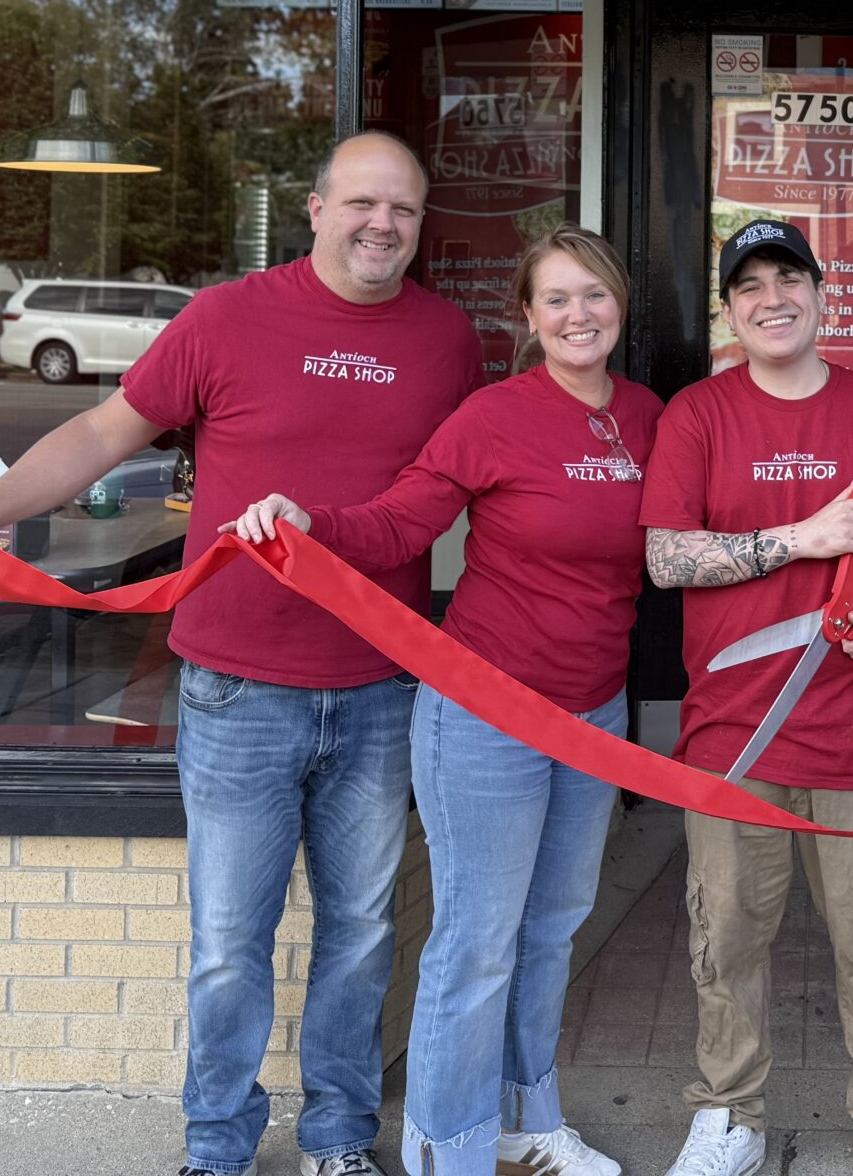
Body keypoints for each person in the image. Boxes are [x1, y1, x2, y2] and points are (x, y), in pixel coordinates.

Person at [0, 132, 481, 1176]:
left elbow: (460, 488)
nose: (383, 224)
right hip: (237, 688)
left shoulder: (445, 338)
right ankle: (217, 1147)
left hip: (379, 685)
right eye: (363, 203)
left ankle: (340, 1140)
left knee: (360, 934)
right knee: (226, 950)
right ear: (314, 206)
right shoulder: (226, 317)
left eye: (405, 210)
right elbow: (100, 437)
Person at [225, 224, 654, 1176]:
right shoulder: (494, 414)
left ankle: (527, 1125)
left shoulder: (646, 415)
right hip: (485, 716)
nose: (578, 315)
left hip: (593, 716)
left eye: (594, 295)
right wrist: (307, 520)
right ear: (528, 318)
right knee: (477, 942)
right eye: (557, 299)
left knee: (551, 932)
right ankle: (446, 1150)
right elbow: (397, 523)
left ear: (618, 303)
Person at [638, 218, 853, 1176]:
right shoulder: (697, 416)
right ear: (730, 308)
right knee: (728, 933)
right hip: (732, 737)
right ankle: (730, 1116)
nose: (771, 299)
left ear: (822, 296)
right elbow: (665, 558)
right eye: (749, 286)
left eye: (789, 279)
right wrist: (804, 536)